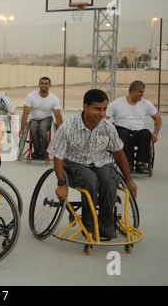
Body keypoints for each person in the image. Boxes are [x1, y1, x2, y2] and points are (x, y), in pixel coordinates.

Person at [47, 89, 137, 239]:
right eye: (97, 109)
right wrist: (61, 183)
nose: (102, 113)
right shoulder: (68, 127)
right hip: (76, 163)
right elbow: (57, 156)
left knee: (109, 181)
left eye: (104, 109)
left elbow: (119, 153)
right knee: (91, 181)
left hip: (101, 162)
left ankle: (107, 224)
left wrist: (129, 179)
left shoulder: (107, 127)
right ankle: (90, 225)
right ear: (85, 106)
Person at [106, 80, 162, 174]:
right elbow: (104, 119)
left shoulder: (146, 104)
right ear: (132, 90)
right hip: (122, 131)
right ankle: (128, 163)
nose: (142, 94)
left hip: (138, 132)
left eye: (143, 92)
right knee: (122, 133)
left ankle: (140, 163)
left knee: (146, 133)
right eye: (140, 92)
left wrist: (155, 133)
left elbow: (157, 118)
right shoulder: (117, 103)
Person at [19, 77, 63, 159]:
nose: (44, 85)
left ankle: (43, 152)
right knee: (33, 127)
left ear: (50, 85)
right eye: (42, 83)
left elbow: (58, 116)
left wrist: (61, 131)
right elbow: (25, 113)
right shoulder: (31, 96)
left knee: (42, 128)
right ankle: (36, 150)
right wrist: (22, 129)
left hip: (47, 118)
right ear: (39, 84)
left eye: (46, 84)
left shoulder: (54, 98)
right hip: (34, 119)